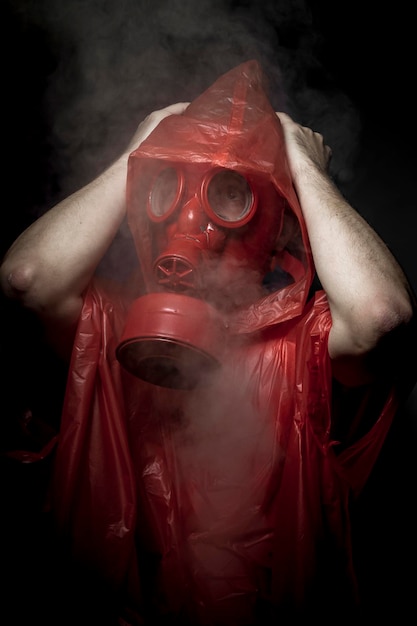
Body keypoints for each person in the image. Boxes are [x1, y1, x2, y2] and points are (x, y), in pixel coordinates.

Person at [1, 60, 416, 625]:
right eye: (168, 188)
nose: (191, 221)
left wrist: (303, 167)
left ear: (280, 234)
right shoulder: (113, 325)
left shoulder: (297, 348)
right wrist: (138, 151)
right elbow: (28, 278)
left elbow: (381, 315)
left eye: (228, 195)